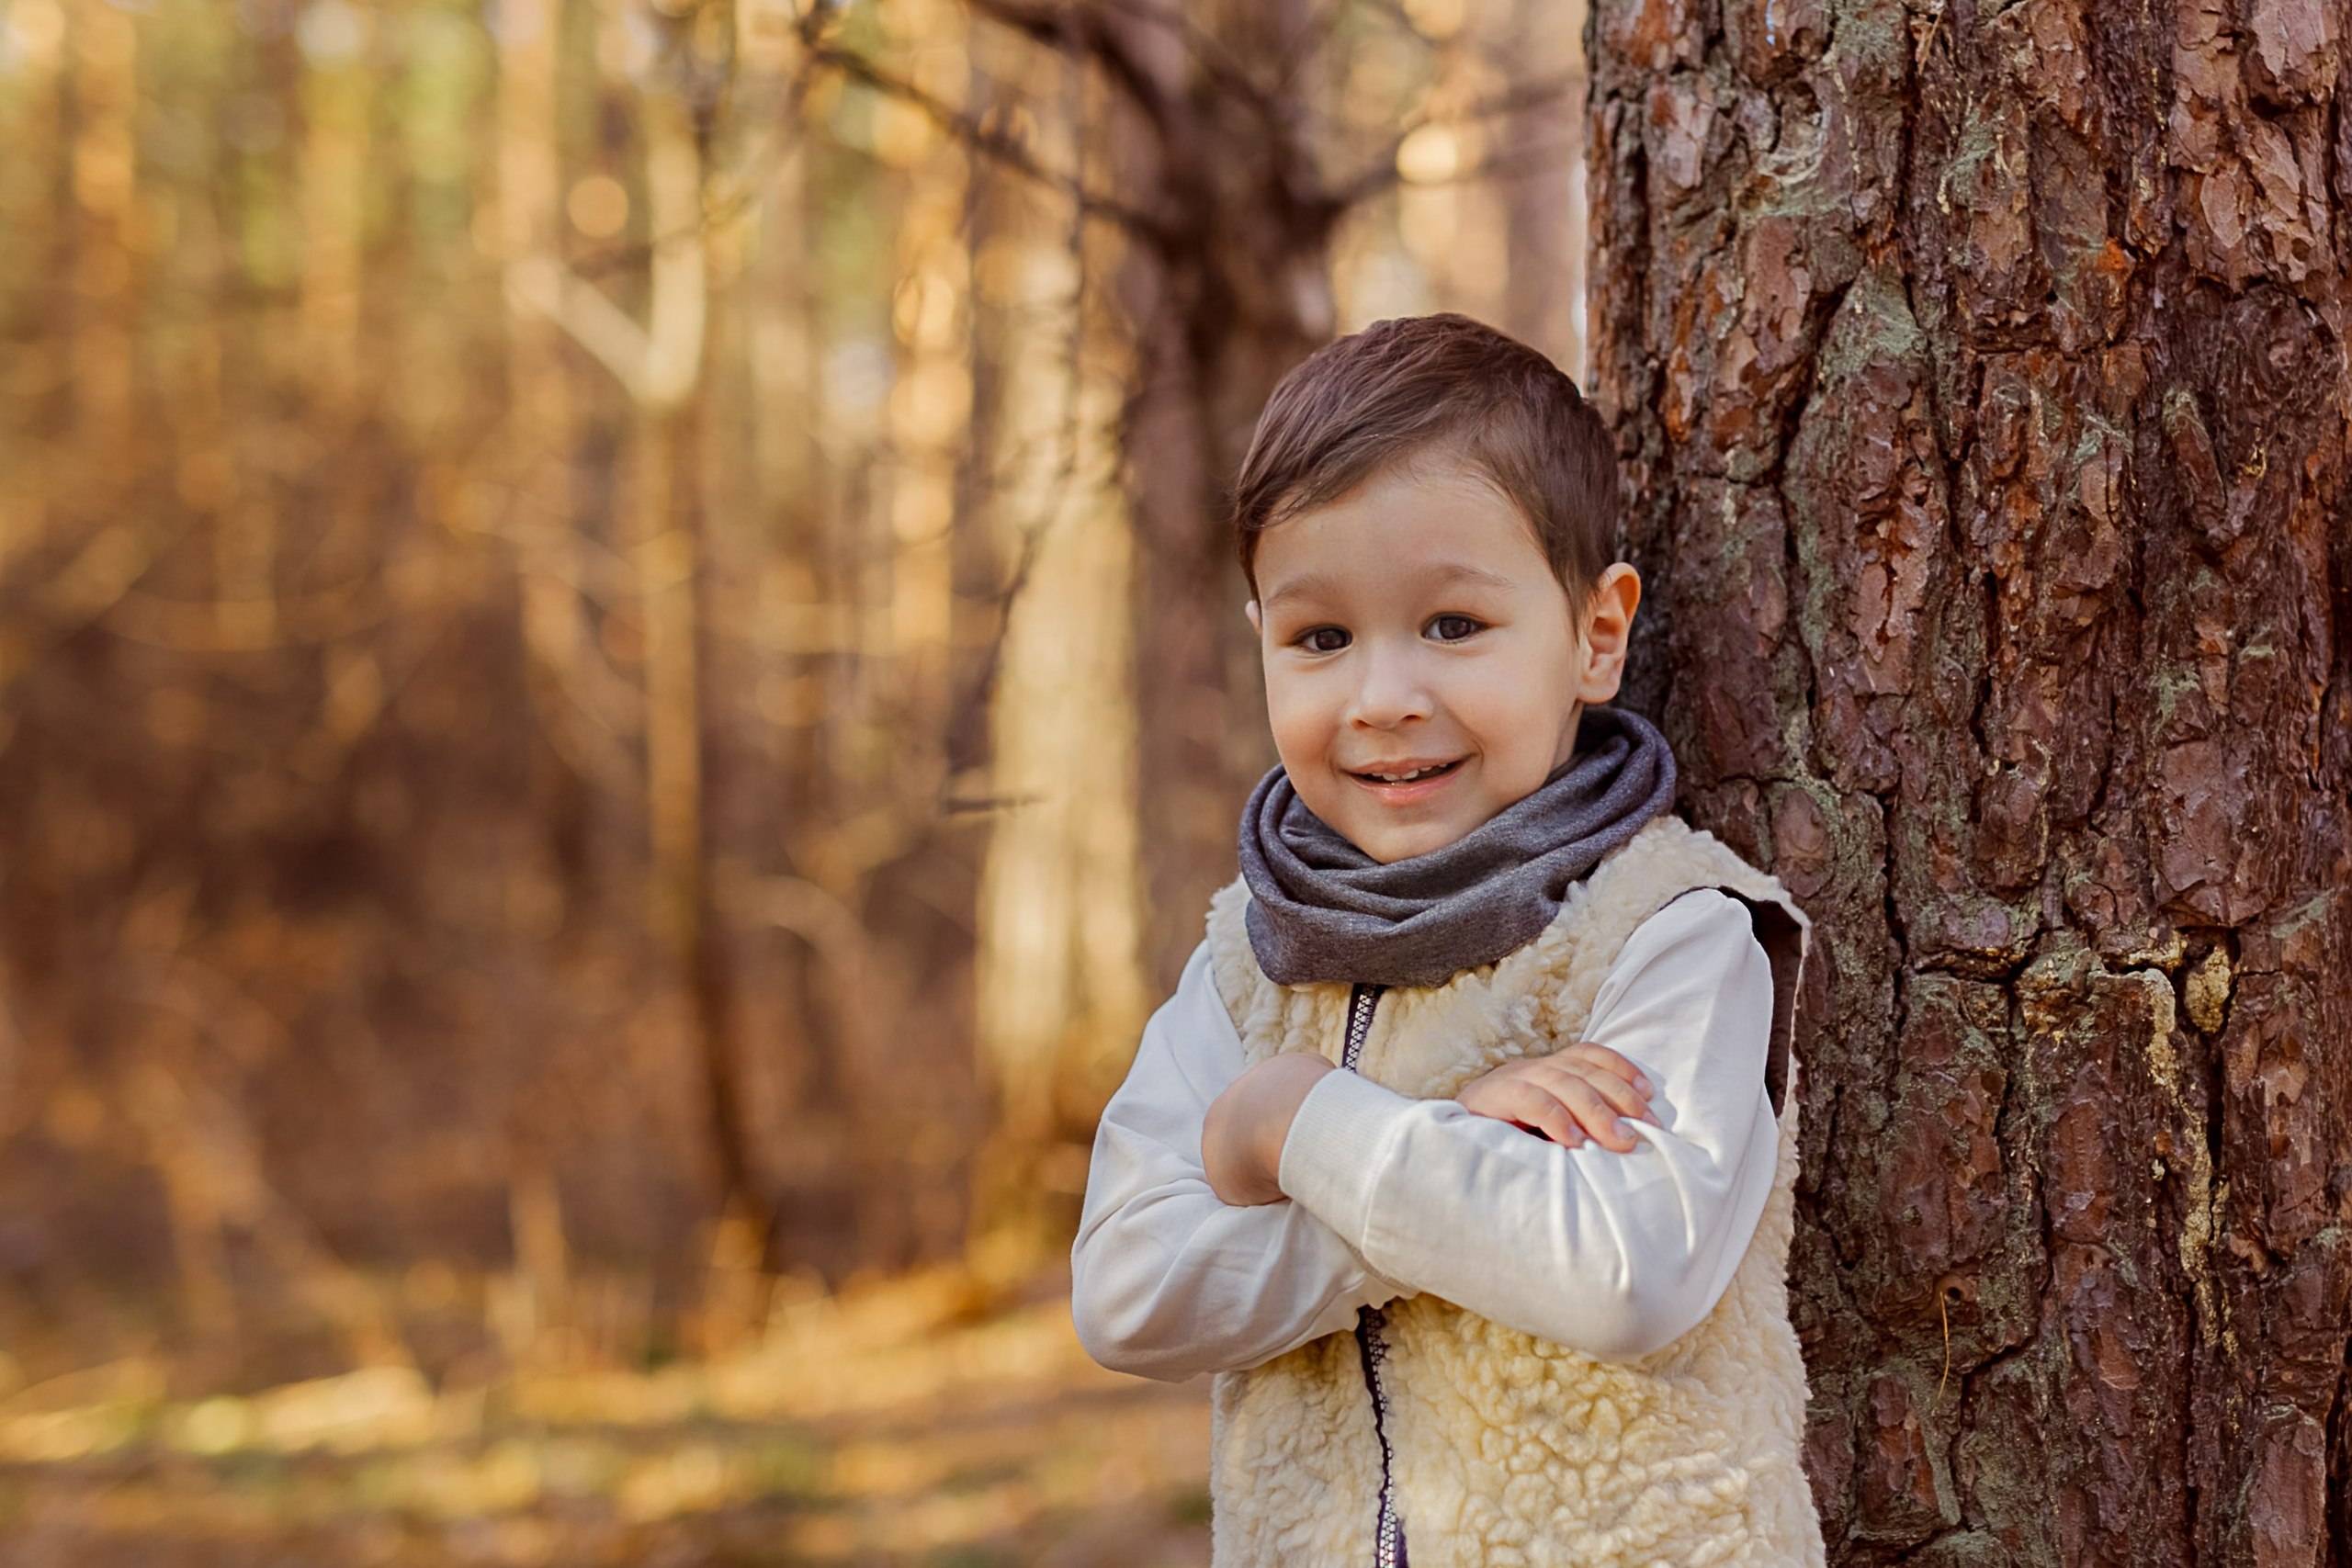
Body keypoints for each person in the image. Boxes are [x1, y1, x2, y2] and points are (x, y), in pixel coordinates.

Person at [1069, 313, 1825, 1566]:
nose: (1381, 698)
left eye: (1454, 627)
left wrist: (1296, 1125)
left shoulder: (1674, 930)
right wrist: (1459, 1131)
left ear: (1595, 635)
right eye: (1320, 639)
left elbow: (1623, 1272)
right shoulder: (1249, 967)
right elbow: (1130, 1292)